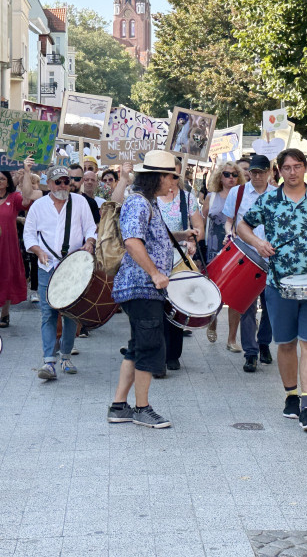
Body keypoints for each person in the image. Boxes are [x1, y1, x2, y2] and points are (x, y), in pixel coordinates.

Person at [238, 148, 307, 433]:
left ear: (304, 168)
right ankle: (291, 395)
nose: (293, 172)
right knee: (285, 344)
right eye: (287, 168)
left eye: (298, 166)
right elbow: (242, 226)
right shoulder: (269, 200)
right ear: (279, 171)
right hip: (278, 284)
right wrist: (258, 244)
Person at [108, 150, 179, 429]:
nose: (173, 181)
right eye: (170, 176)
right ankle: (142, 408)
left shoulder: (147, 202)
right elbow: (133, 242)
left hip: (143, 288)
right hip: (142, 286)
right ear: (157, 177)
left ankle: (118, 406)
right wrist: (155, 273)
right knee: (150, 347)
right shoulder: (138, 203)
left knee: (137, 347)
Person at [24, 165, 97, 380]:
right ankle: (49, 362)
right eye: (58, 181)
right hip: (47, 267)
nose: (63, 185)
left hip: (73, 267)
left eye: (66, 181)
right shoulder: (39, 206)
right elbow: (29, 234)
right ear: (49, 183)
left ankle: (65, 356)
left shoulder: (80, 202)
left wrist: (90, 242)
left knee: (71, 314)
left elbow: (91, 229)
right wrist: (37, 250)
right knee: (48, 313)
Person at [223, 154, 274, 371]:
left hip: (272, 257)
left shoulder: (278, 194)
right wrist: (230, 234)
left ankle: (263, 343)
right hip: (246, 257)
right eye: (253, 172)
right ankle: (250, 352)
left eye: (261, 172)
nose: (257, 176)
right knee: (247, 306)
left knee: (271, 306)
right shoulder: (238, 192)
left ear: (269, 172)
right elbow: (228, 221)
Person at [155, 157, 204, 374]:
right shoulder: (149, 198)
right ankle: (156, 353)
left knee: (176, 306)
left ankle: (173, 354)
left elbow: (199, 226)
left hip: (178, 259)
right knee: (154, 307)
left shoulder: (187, 198)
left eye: (175, 175)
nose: (172, 180)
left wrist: (193, 240)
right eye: (168, 175)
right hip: (154, 259)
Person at [0, 163, 36, 327]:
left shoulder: (14, 198)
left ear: (8, 182)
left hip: (8, 247)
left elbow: (28, 201)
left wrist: (26, 173)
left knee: (6, 278)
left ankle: (5, 314)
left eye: (2, 179)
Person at [202, 160, 247, 343]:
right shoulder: (211, 197)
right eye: (227, 174)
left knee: (236, 294)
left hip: (236, 250)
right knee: (215, 292)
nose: (231, 178)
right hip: (213, 249)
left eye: (234, 174)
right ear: (220, 176)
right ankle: (212, 322)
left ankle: (232, 338)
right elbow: (203, 222)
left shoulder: (242, 197)